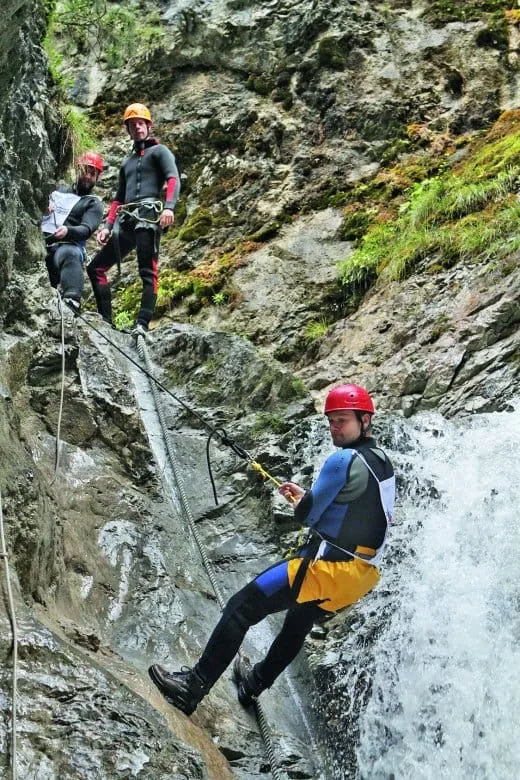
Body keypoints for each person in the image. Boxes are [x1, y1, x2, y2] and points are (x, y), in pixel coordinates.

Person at [148, 383, 396, 715]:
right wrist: (308, 498)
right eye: (331, 421)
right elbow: (357, 509)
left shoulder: (342, 459)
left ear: (364, 420)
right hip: (362, 577)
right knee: (299, 621)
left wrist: (302, 502)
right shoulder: (382, 461)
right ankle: (254, 683)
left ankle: (192, 687)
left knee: (241, 607)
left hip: (331, 566)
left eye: (343, 420)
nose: (335, 428)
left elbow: (309, 516)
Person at [87, 103, 180, 335]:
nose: (137, 127)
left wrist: (169, 208)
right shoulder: (126, 163)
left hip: (148, 216)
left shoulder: (160, 152)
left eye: (141, 123)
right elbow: (118, 199)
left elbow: (172, 179)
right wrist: (107, 227)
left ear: (148, 126)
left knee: (147, 271)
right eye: (132, 124)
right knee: (96, 268)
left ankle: (141, 324)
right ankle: (106, 322)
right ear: (128, 130)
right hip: (127, 220)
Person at [43, 152, 104, 313]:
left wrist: (68, 231)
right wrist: (44, 207)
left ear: (97, 177)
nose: (88, 176)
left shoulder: (93, 203)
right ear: (77, 170)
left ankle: (72, 300)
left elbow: (86, 229)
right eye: (85, 171)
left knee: (71, 253)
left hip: (64, 248)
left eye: (92, 174)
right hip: (42, 243)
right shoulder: (58, 192)